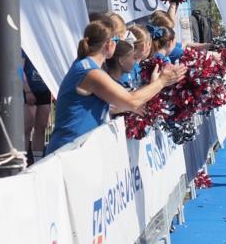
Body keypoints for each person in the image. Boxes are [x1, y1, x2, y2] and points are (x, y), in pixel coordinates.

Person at [45, 21, 186, 154]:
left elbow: (120, 103)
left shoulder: (87, 65)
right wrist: (161, 82)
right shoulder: (91, 73)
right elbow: (131, 100)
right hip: (68, 150)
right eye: (116, 41)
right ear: (108, 44)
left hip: (76, 150)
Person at [22, 52, 52, 164]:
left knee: (41, 127)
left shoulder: (45, 46)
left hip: (44, 90)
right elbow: (19, 69)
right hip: (28, 90)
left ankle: (37, 161)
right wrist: (27, 91)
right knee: (26, 128)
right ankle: (22, 162)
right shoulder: (24, 48)